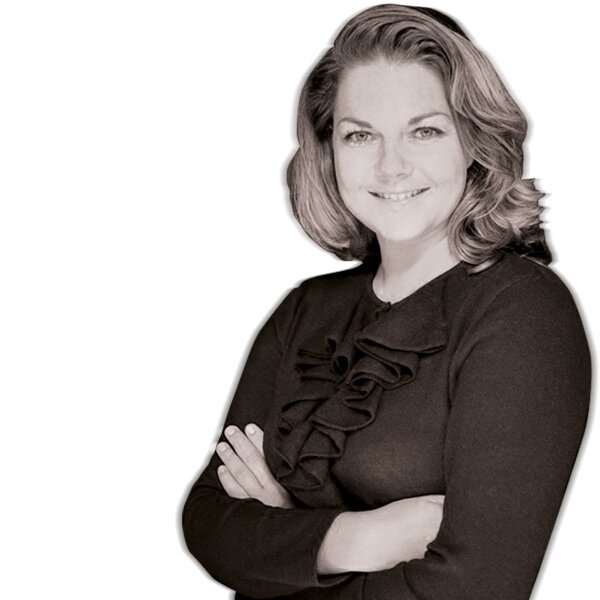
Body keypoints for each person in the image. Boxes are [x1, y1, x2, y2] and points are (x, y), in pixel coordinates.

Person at [182, 5, 590, 599]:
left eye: (425, 130)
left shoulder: (522, 311)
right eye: (360, 134)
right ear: (329, 150)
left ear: (473, 142)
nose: (391, 165)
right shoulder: (305, 311)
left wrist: (287, 543)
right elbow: (209, 523)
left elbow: (477, 588)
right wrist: (358, 538)